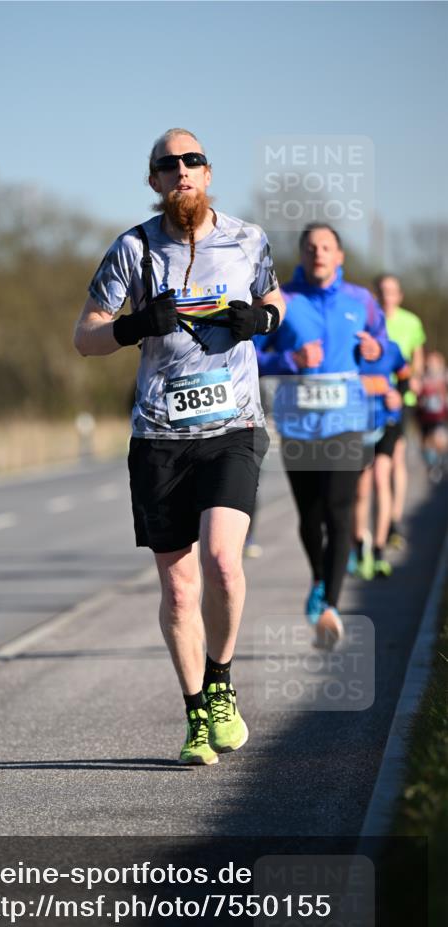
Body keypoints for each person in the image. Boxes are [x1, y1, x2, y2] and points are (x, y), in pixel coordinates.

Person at [74, 128, 285, 765]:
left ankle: (221, 684)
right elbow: (86, 337)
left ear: (208, 173)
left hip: (233, 428)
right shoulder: (133, 249)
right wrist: (136, 324)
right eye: (169, 165)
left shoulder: (248, 239)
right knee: (180, 590)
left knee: (223, 561)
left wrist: (263, 319)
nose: (182, 171)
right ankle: (198, 715)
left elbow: (274, 297)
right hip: (160, 438)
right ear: (155, 181)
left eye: (192, 161)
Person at [256, 224, 388, 648]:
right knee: (310, 516)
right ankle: (318, 578)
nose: (318, 253)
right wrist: (290, 359)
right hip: (298, 425)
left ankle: (329, 604)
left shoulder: (361, 301)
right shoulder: (284, 301)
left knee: (339, 508)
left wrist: (378, 352)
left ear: (340, 256)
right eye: (311, 247)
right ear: (301, 254)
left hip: (346, 422)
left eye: (327, 247)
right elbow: (252, 355)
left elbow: (388, 350)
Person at [373, 274, 426, 549]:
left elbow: (417, 357)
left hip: (400, 396)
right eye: (382, 291)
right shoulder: (371, 319)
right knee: (375, 467)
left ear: (399, 295)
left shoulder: (411, 322)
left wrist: (414, 378)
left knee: (396, 459)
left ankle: (394, 520)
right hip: (372, 397)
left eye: (391, 291)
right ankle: (378, 520)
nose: (386, 296)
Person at [352, 343, 410, 579]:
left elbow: (405, 375)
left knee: (381, 478)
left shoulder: (392, 348)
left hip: (387, 422)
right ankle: (359, 548)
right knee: (362, 489)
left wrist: (399, 394)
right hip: (358, 424)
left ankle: (378, 551)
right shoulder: (349, 346)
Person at [416, 351, 448, 482]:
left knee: (439, 440)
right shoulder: (423, 378)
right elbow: (418, 395)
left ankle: (440, 462)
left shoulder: (445, 376)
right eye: (429, 362)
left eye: (434, 362)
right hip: (425, 417)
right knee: (427, 444)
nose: (431, 364)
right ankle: (432, 465)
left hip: (440, 416)